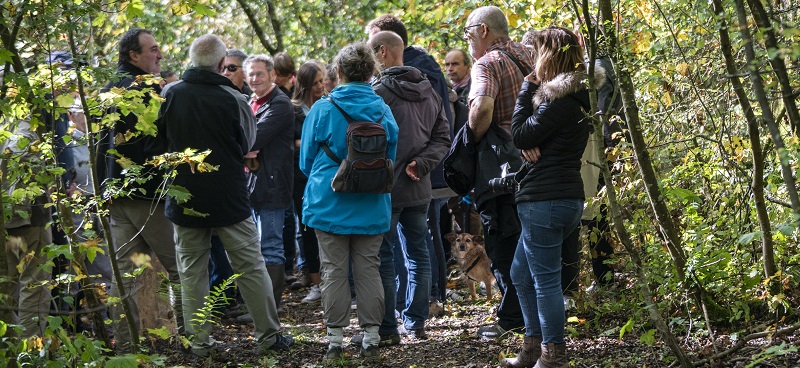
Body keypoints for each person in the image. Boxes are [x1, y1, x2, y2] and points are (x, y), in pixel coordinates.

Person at [154, 34, 293, 357]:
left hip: (184, 195)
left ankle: (199, 342)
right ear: (220, 64)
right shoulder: (234, 98)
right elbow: (247, 143)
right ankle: (268, 336)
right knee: (250, 266)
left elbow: (161, 140)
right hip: (229, 196)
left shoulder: (170, 94)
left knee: (191, 270)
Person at [299, 42, 398, 363]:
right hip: (372, 203)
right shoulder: (383, 110)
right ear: (372, 71)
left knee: (333, 270)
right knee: (369, 269)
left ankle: (335, 341)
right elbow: (390, 156)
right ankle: (371, 338)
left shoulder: (322, 109)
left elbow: (305, 162)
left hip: (329, 201)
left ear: (338, 72)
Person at [502, 27, 593, 368]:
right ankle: (532, 345)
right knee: (520, 274)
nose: (532, 58)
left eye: (537, 51)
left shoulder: (559, 101)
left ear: (549, 56)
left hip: (547, 199)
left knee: (545, 283)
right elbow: (528, 138)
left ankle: (553, 355)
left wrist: (527, 88)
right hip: (560, 197)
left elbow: (521, 134)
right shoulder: (573, 98)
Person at [97, 28, 183, 349]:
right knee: (180, 269)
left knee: (125, 279)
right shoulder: (147, 89)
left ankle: (128, 347)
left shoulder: (107, 91)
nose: (159, 55)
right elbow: (157, 145)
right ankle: (192, 340)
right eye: (153, 50)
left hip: (116, 196)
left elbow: (99, 149)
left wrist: (102, 193)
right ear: (134, 56)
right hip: (148, 198)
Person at [367, 31, 451, 341]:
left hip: (388, 188)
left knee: (386, 257)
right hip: (417, 187)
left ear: (383, 52)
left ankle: (390, 326)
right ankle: (415, 322)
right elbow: (443, 137)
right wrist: (423, 163)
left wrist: (418, 164)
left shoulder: (377, 93)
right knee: (418, 253)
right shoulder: (430, 91)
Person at [462, 6, 534, 340]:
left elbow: (483, 107)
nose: (466, 40)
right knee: (529, 242)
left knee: (503, 243)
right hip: (536, 165)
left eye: (467, 32)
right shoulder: (530, 55)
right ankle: (532, 315)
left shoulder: (487, 63)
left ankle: (511, 318)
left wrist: (472, 140)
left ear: (483, 31)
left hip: (501, 171)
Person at [243, 54, 295, 311]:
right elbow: (245, 139)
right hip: (250, 183)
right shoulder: (247, 101)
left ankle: (270, 308)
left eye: (260, 73)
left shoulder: (280, 104)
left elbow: (252, 139)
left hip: (272, 185)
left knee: (271, 246)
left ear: (273, 75)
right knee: (253, 248)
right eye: (251, 74)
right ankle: (257, 305)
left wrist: (247, 146)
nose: (255, 79)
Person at [2, 119, 52, 338]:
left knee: (4, 287)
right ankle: (30, 356)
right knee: (34, 286)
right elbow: (21, 149)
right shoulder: (25, 110)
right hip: (25, 215)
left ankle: (8, 354)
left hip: (11, 213)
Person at [290, 61, 326, 303]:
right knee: (307, 231)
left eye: (322, 81)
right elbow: (293, 143)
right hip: (301, 178)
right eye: (315, 83)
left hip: (324, 176)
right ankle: (316, 283)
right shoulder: (293, 110)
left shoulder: (328, 105)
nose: (321, 87)